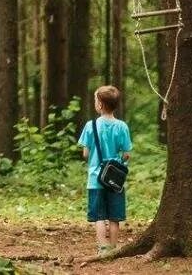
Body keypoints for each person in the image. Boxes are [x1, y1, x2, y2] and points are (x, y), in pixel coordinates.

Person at [77, 85, 132, 256]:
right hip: (115, 180)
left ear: (100, 104)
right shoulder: (122, 126)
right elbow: (127, 154)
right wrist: (116, 161)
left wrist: (95, 159)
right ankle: (114, 248)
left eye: (95, 100)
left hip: (95, 179)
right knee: (115, 217)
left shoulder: (90, 125)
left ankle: (103, 249)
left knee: (99, 216)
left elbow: (85, 153)